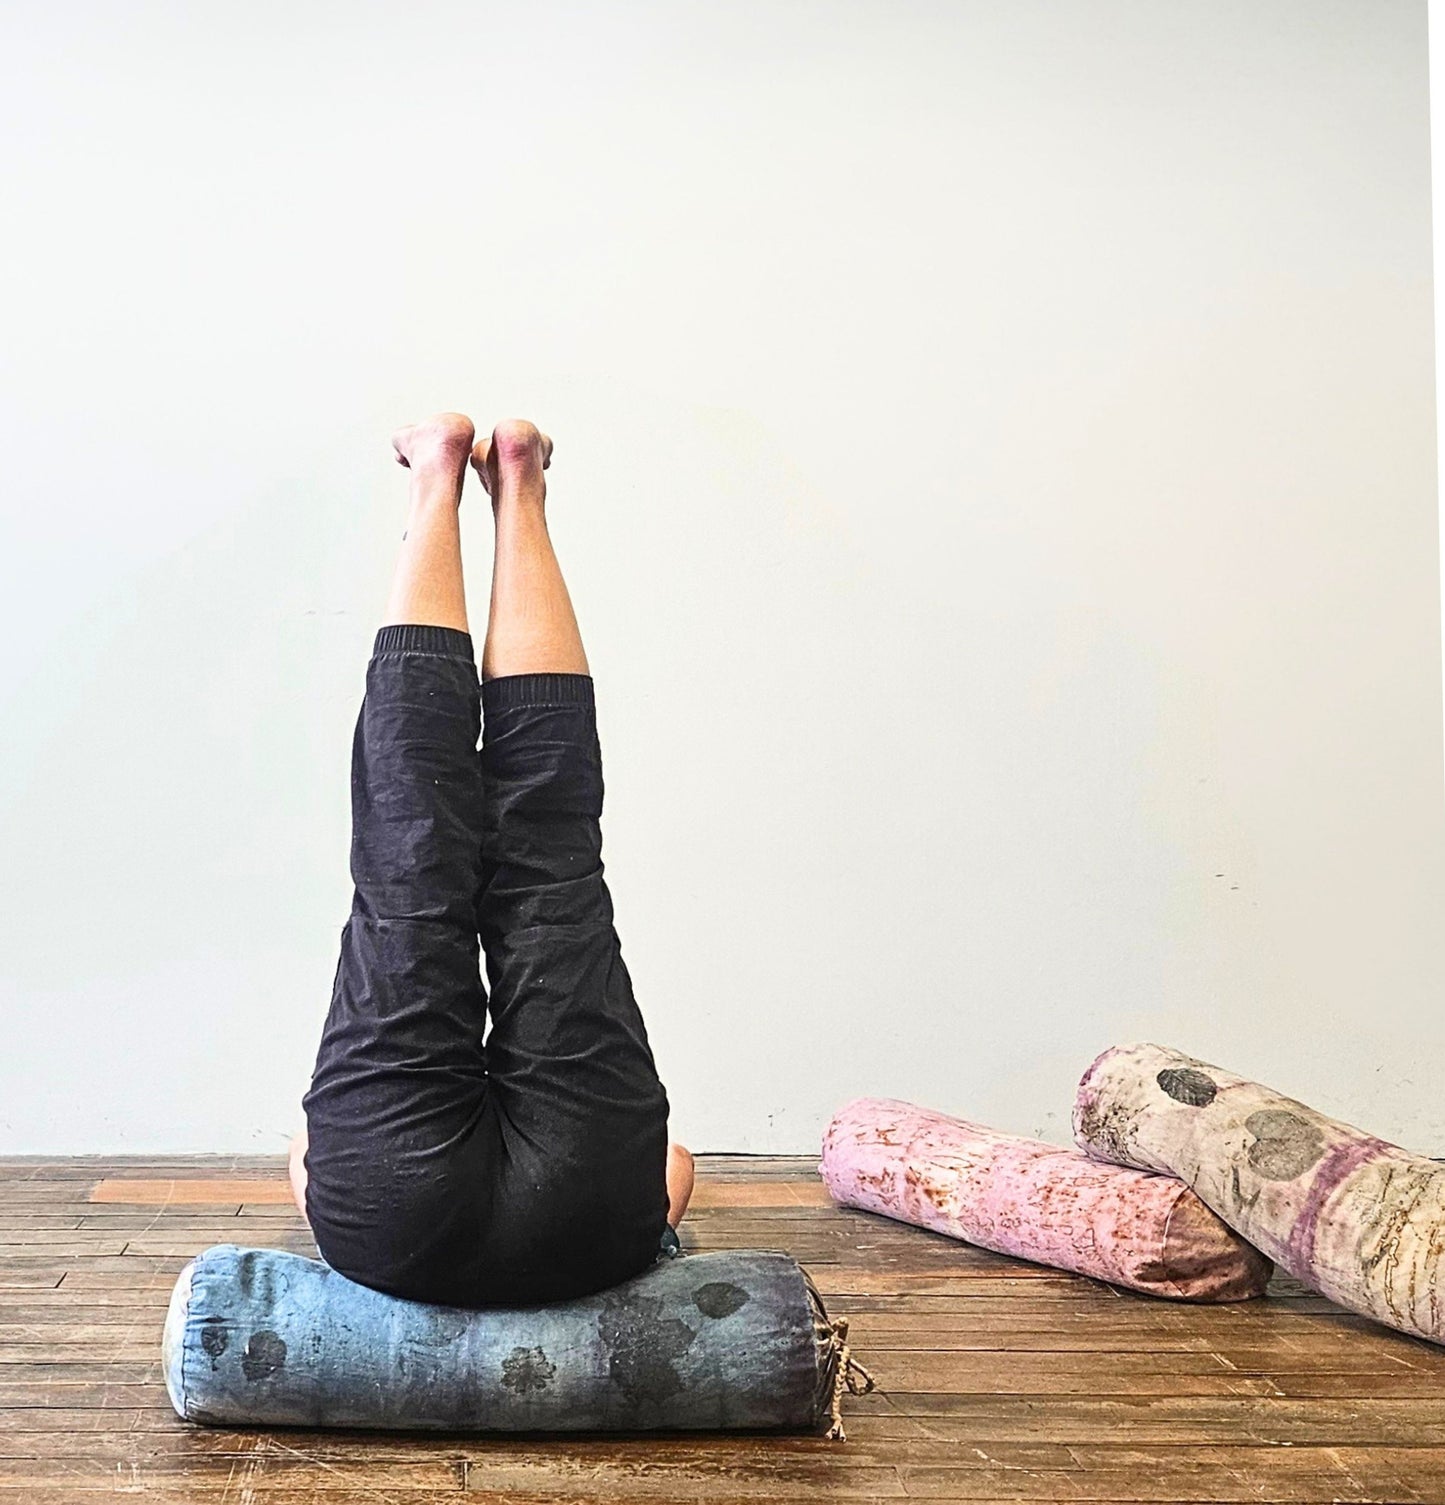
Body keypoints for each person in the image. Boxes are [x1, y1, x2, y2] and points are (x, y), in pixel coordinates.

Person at [286, 414, 694, 1307]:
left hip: (585, 1220)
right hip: (393, 1218)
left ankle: (517, 484)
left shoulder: (624, 1215)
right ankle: (447, 476)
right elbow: (308, 1163)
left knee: (554, 873)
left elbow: (675, 1167)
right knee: (408, 871)